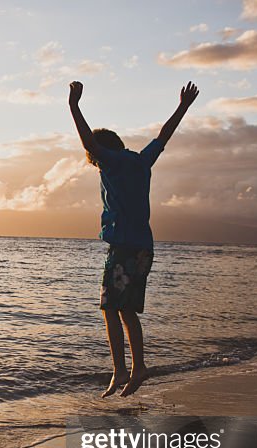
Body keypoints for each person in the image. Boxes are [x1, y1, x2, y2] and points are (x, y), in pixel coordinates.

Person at [68, 79, 198, 397]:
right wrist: (182, 106)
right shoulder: (141, 161)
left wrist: (74, 106)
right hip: (143, 247)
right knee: (123, 310)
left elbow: (89, 144)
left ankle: (123, 369)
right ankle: (134, 367)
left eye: (95, 160)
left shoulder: (111, 163)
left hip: (124, 247)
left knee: (109, 308)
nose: (95, 163)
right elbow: (162, 137)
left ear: (102, 154)